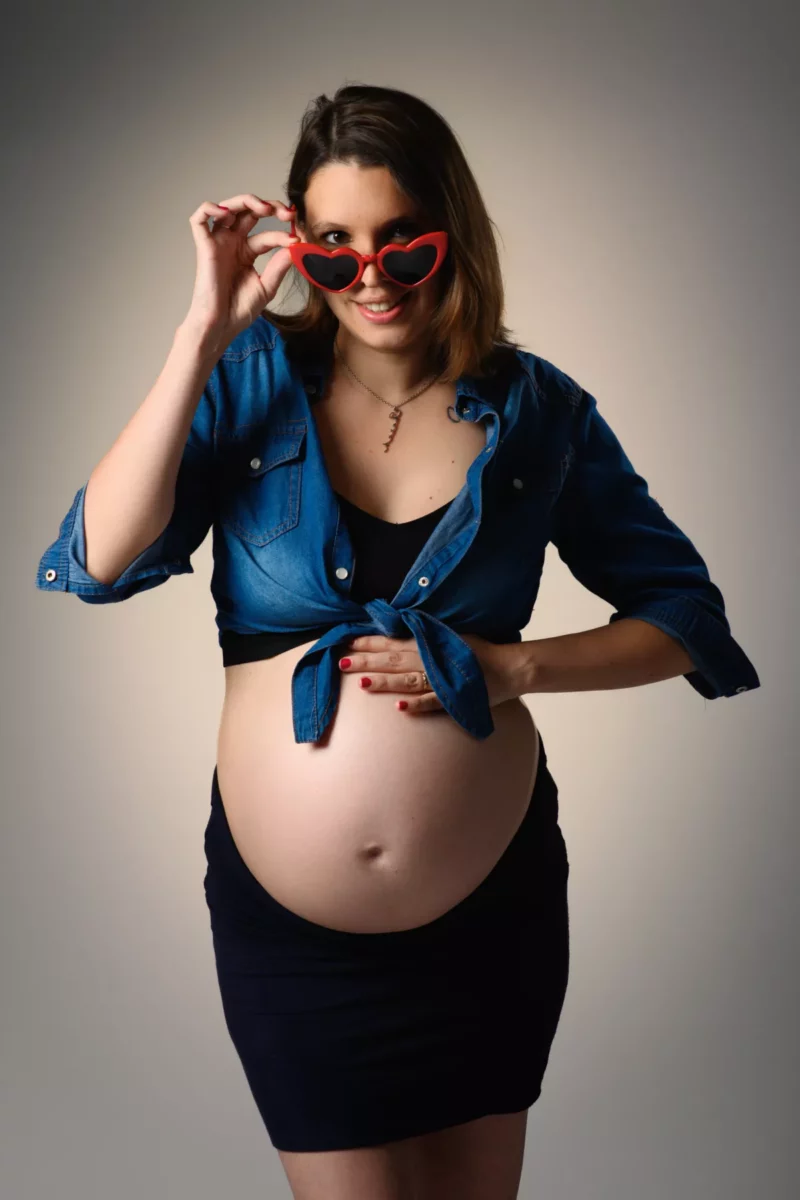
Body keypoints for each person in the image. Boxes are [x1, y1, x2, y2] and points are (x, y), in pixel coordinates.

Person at [35, 84, 760, 1200]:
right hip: (295, 938)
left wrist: (510, 667)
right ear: (301, 251)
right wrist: (200, 335)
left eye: (398, 244)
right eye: (331, 249)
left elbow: (682, 618)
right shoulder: (245, 390)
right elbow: (95, 561)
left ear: (449, 237)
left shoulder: (539, 416)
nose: (366, 276)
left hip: (492, 921)